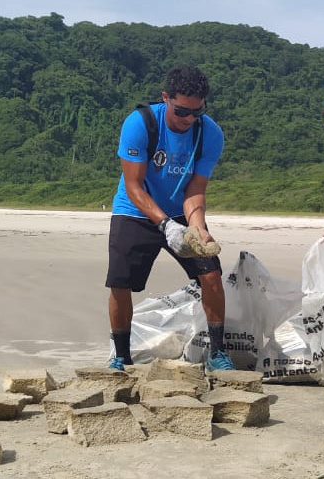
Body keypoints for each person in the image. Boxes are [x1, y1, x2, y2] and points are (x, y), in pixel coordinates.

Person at [105, 65, 234, 373]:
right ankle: (121, 356)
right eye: (180, 111)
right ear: (165, 98)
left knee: (211, 274)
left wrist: (198, 229)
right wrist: (165, 226)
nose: (188, 119)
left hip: (181, 211)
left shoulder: (209, 133)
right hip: (135, 211)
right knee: (121, 284)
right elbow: (134, 187)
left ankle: (217, 351)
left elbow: (196, 190)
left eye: (195, 112)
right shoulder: (141, 123)